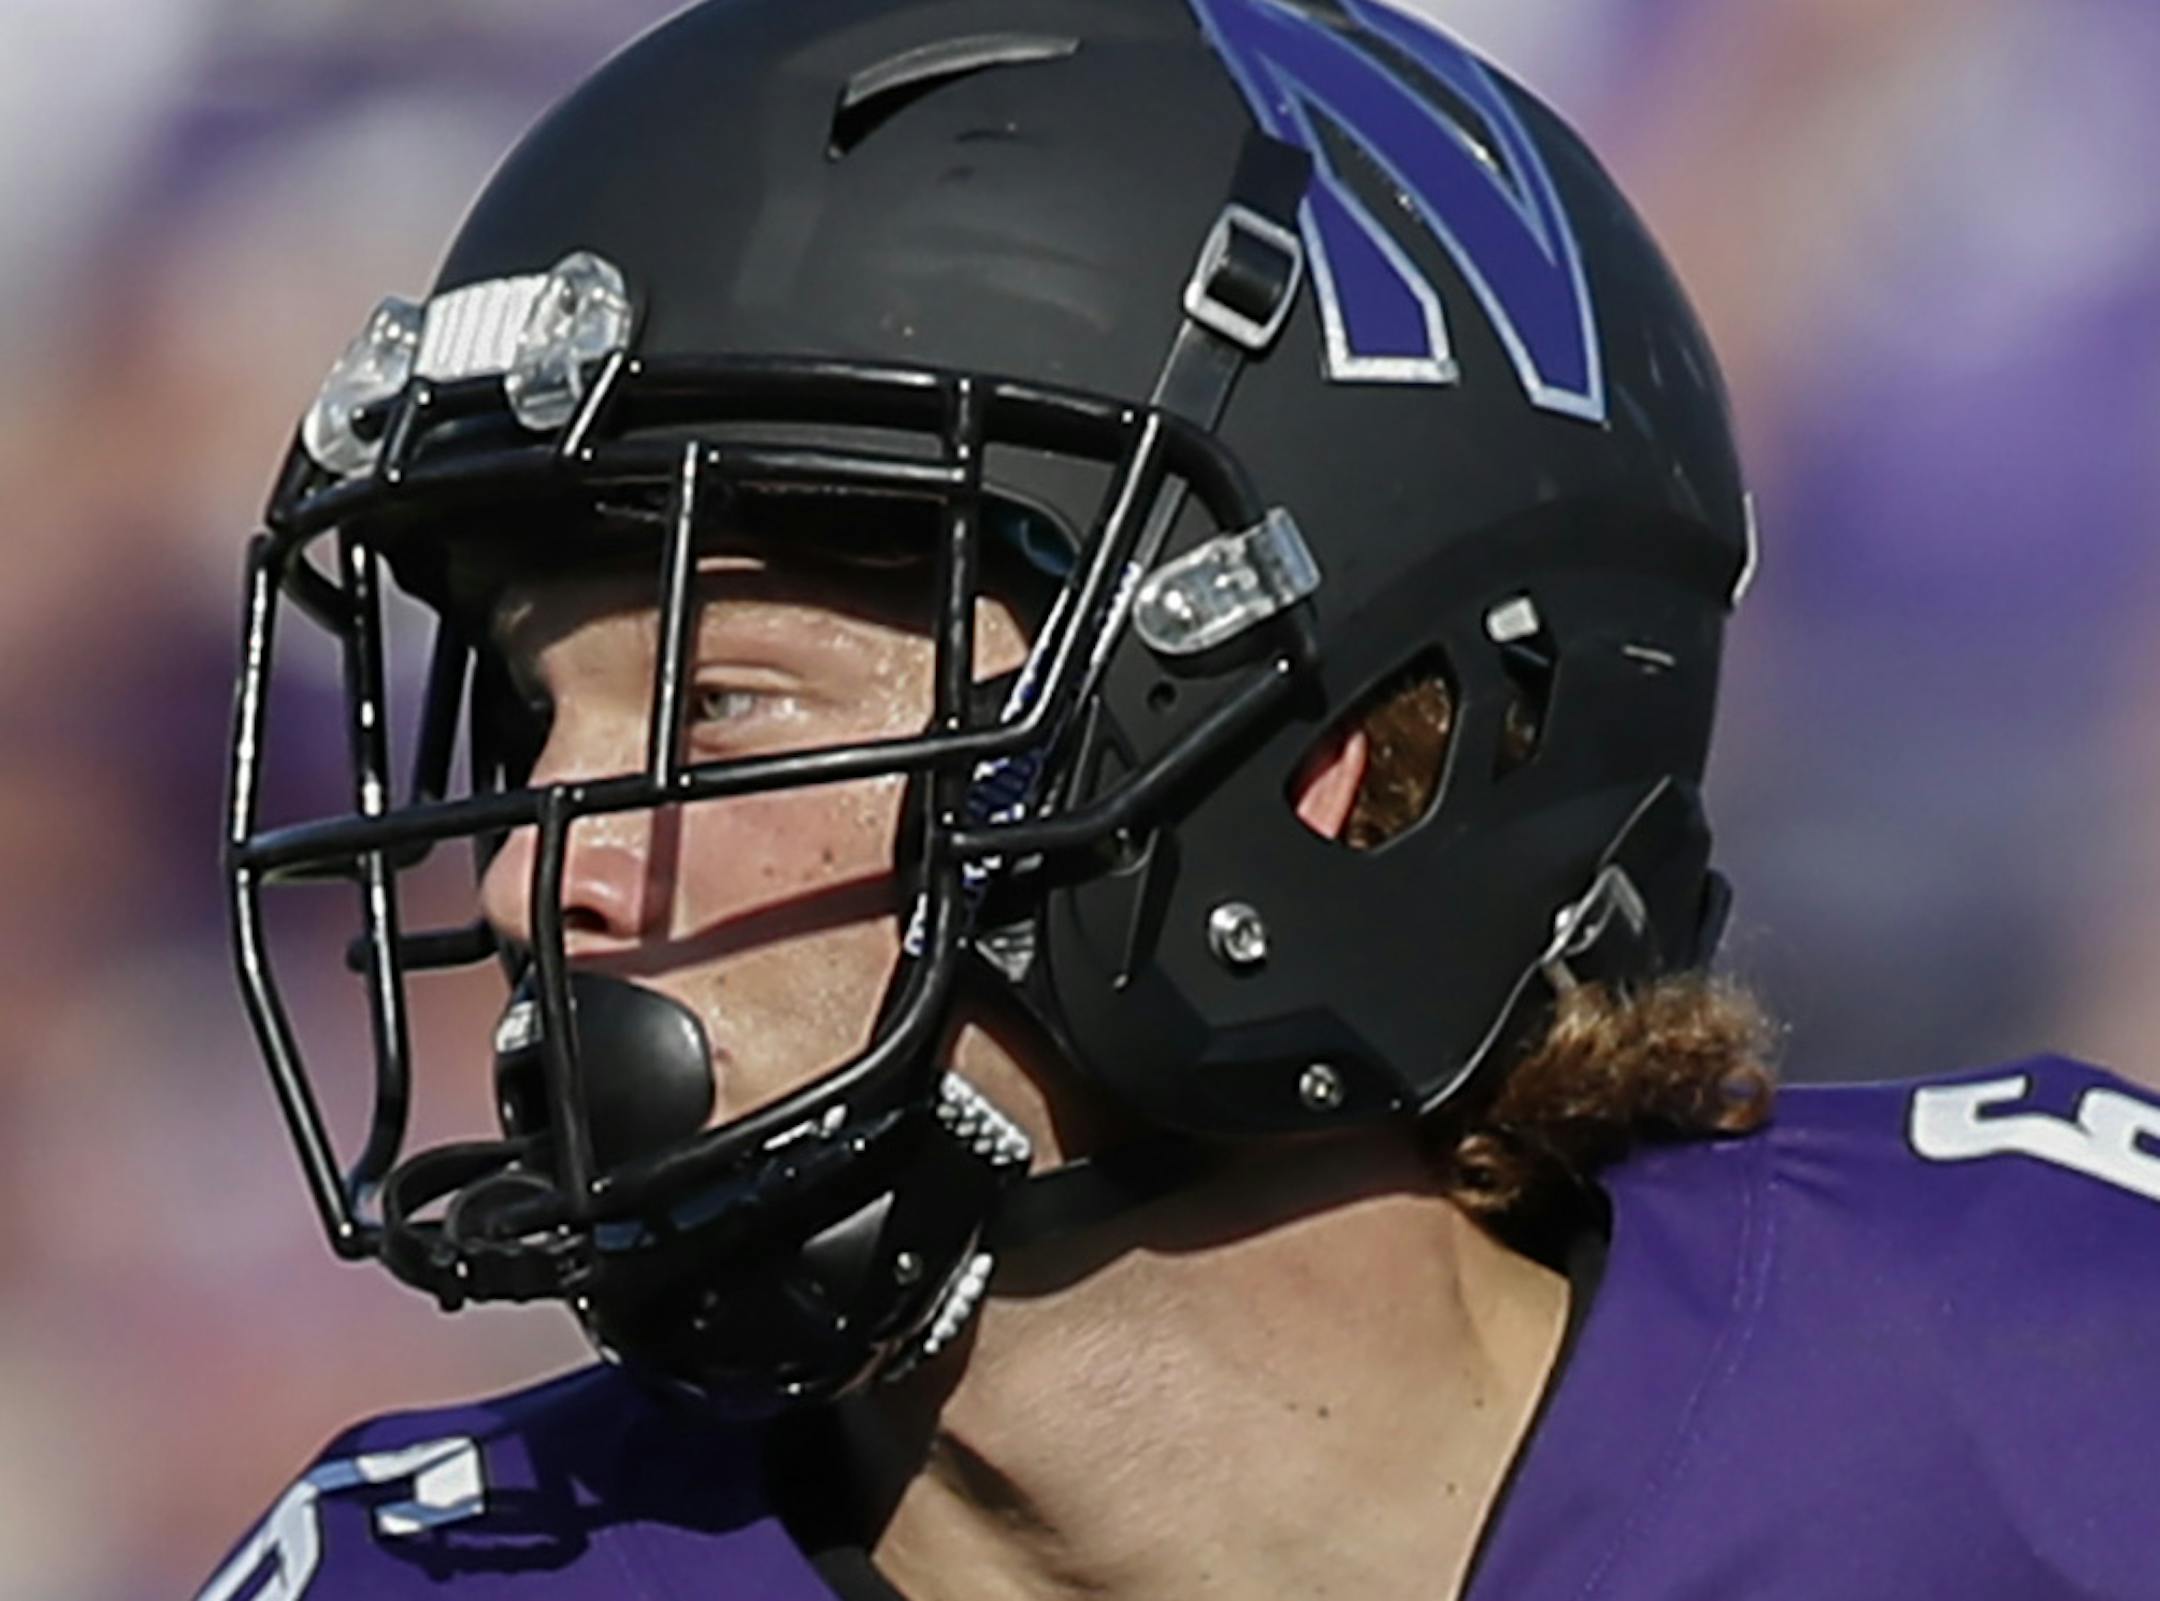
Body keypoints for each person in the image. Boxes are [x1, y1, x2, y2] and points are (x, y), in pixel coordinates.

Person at [201, 1, 2160, 1597]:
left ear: (1340, 758)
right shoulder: (443, 1576)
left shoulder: (2066, 1369)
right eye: (545, 729)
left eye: (722, 708)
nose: (561, 869)